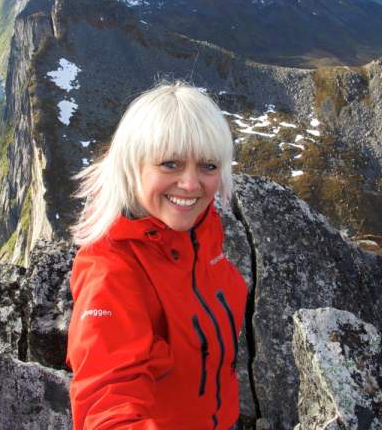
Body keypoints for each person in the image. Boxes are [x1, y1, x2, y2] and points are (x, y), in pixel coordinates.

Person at [66, 81, 248, 430]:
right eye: (170, 164)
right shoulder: (111, 270)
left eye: (208, 166)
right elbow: (106, 399)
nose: (191, 184)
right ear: (133, 166)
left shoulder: (203, 234)